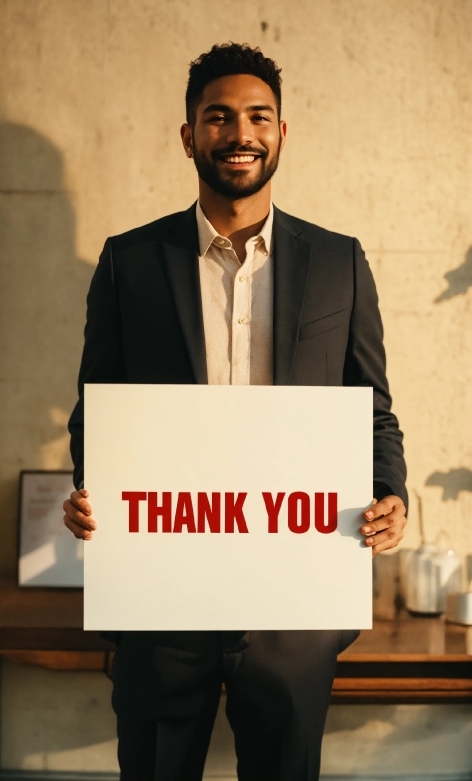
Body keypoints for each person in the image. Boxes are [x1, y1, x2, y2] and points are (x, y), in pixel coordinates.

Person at [64, 42, 407, 781]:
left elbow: (372, 407)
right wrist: (91, 492)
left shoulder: (339, 261)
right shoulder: (130, 262)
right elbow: (95, 408)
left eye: (258, 116)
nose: (239, 133)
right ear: (190, 136)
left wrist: (392, 496)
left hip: (294, 605)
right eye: (219, 117)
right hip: (161, 597)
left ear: (283, 133)